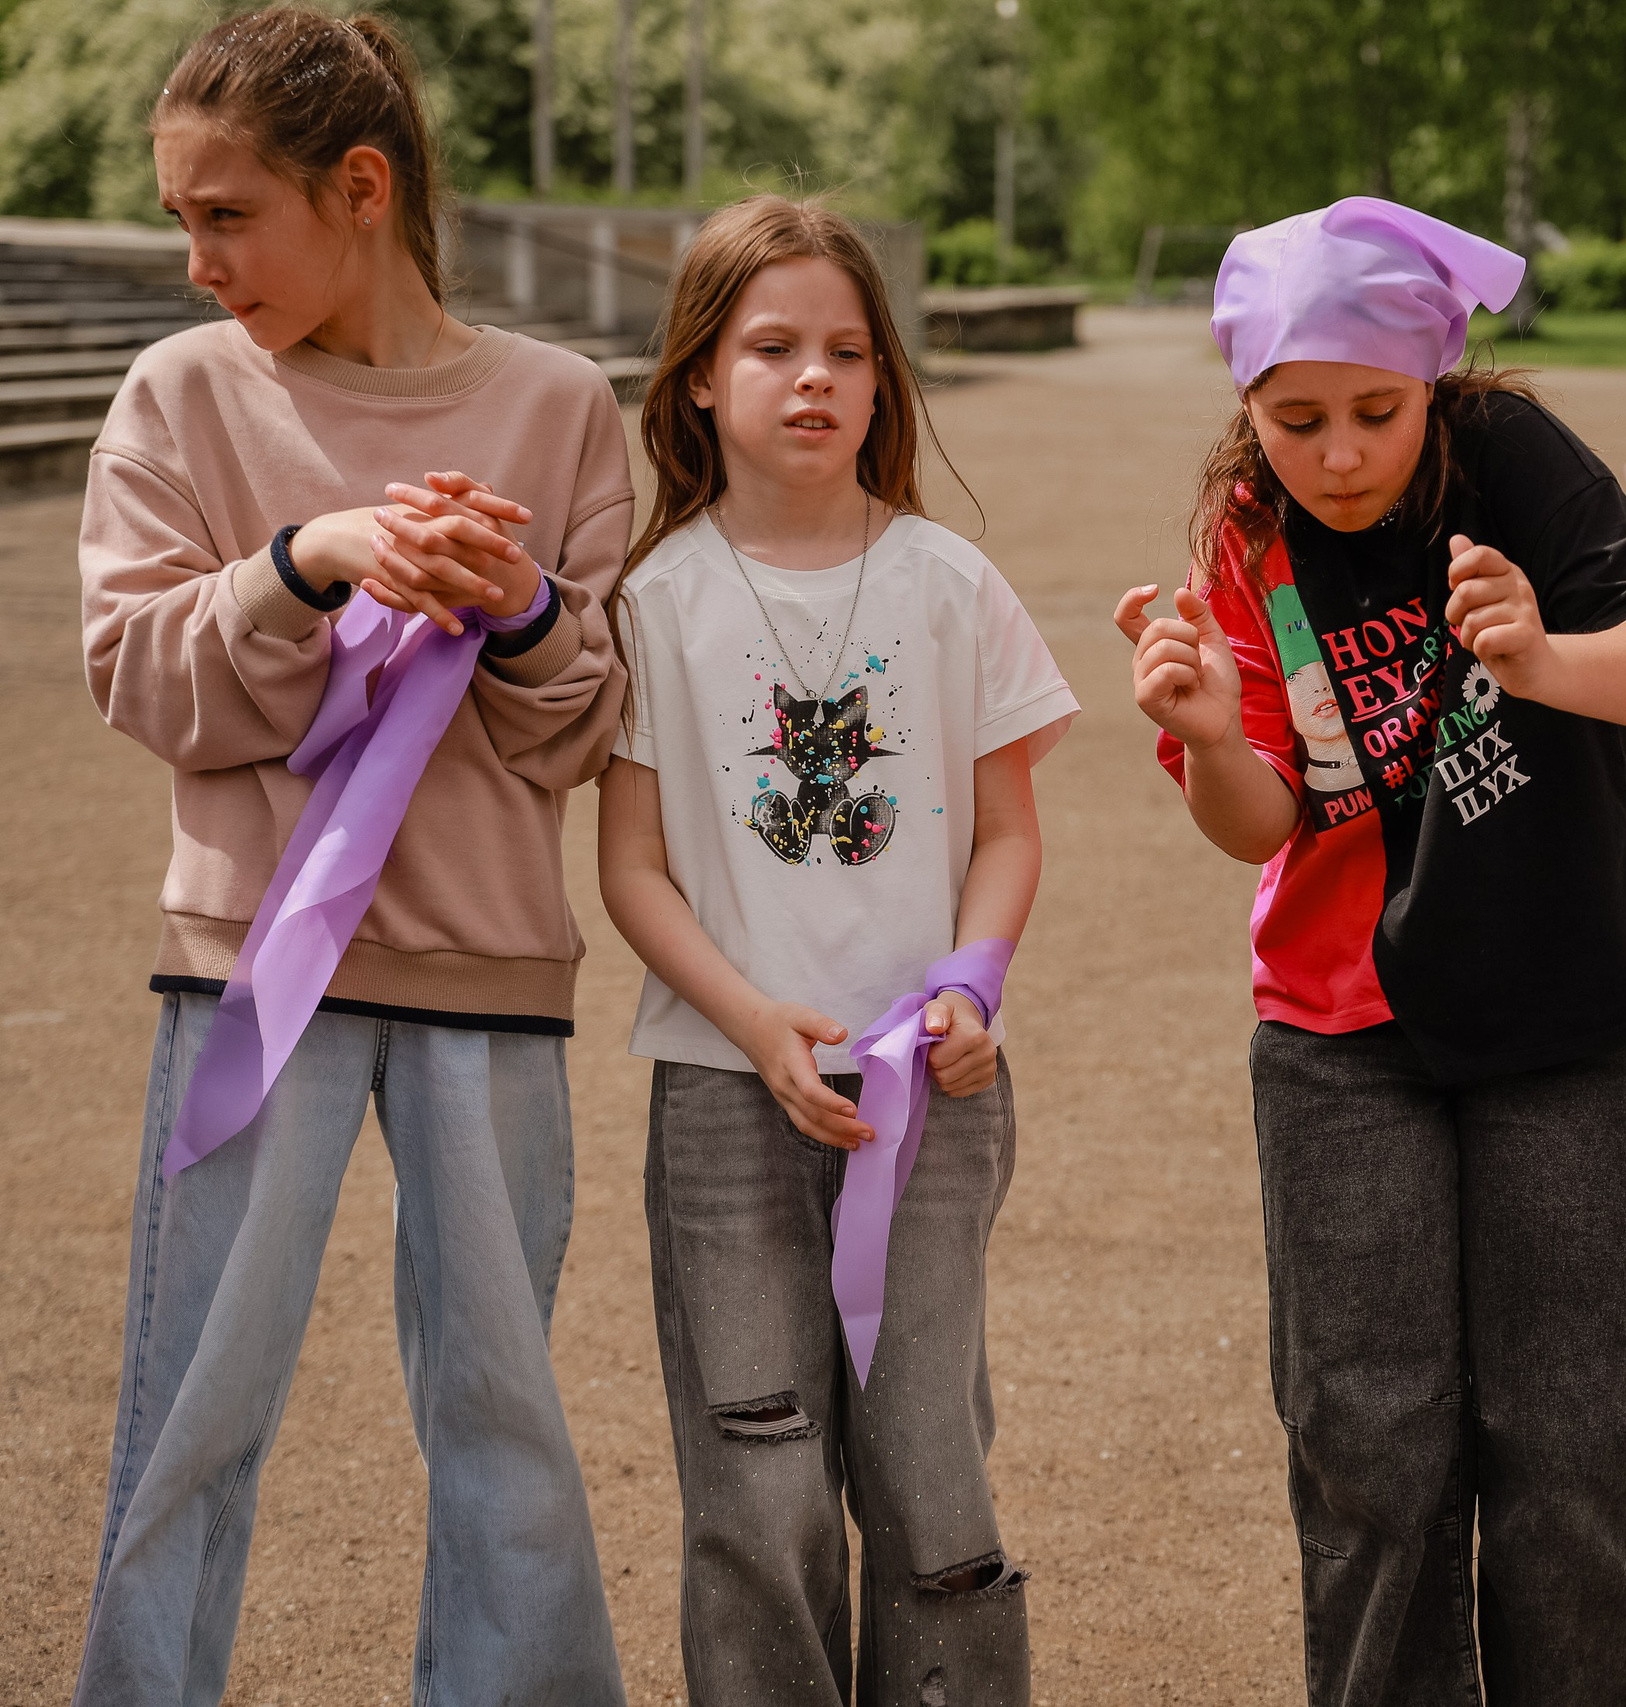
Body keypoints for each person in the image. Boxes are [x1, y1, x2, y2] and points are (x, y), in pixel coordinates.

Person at [72, 8, 631, 1701]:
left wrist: (519, 610)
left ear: (362, 188)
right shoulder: (181, 395)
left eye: (226, 215)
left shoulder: (559, 406)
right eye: (182, 219)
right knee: (192, 1414)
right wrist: (303, 562)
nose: (196, 262)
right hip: (247, 982)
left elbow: (587, 731)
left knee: (504, 1424)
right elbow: (138, 679)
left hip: (490, 980)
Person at [1116, 197, 1626, 1706]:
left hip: (1554, 1017)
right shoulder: (1246, 534)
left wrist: (1541, 656)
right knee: (1368, 1447)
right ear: (1249, 406)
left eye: (1375, 413)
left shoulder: (1512, 460)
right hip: (1339, 1041)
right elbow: (1264, 822)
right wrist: (1209, 739)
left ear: (1434, 383)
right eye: (1296, 420)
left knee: (1580, 1441)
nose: (1337, 455)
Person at [597, 195, 1076, 1706]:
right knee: (757, 1474)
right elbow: (630, 869)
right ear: (699, 376)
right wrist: (754, 1023)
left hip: (931, 1095)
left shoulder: (952, 585)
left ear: (882, 382)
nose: (815, 376)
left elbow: (1007, 834)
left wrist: (969, 985)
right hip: (724, 1096)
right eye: (773, 347)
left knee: (930, 1465)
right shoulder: (654, 604)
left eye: (849, 351)